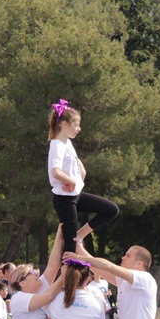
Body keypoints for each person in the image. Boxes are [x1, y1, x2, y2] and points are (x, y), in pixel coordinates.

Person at [47, 100, 119, 249]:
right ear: (64, 125)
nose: (79, 129)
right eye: (76, 125)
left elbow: (75, 164)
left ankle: (79, 235)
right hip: (64, 200)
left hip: (76, 195)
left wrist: (81, 173)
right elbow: (55, 171)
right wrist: (71, 181)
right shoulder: (57, 145)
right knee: (69, 248)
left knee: (111, 209)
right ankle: (67, 269)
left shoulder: (67, 142)